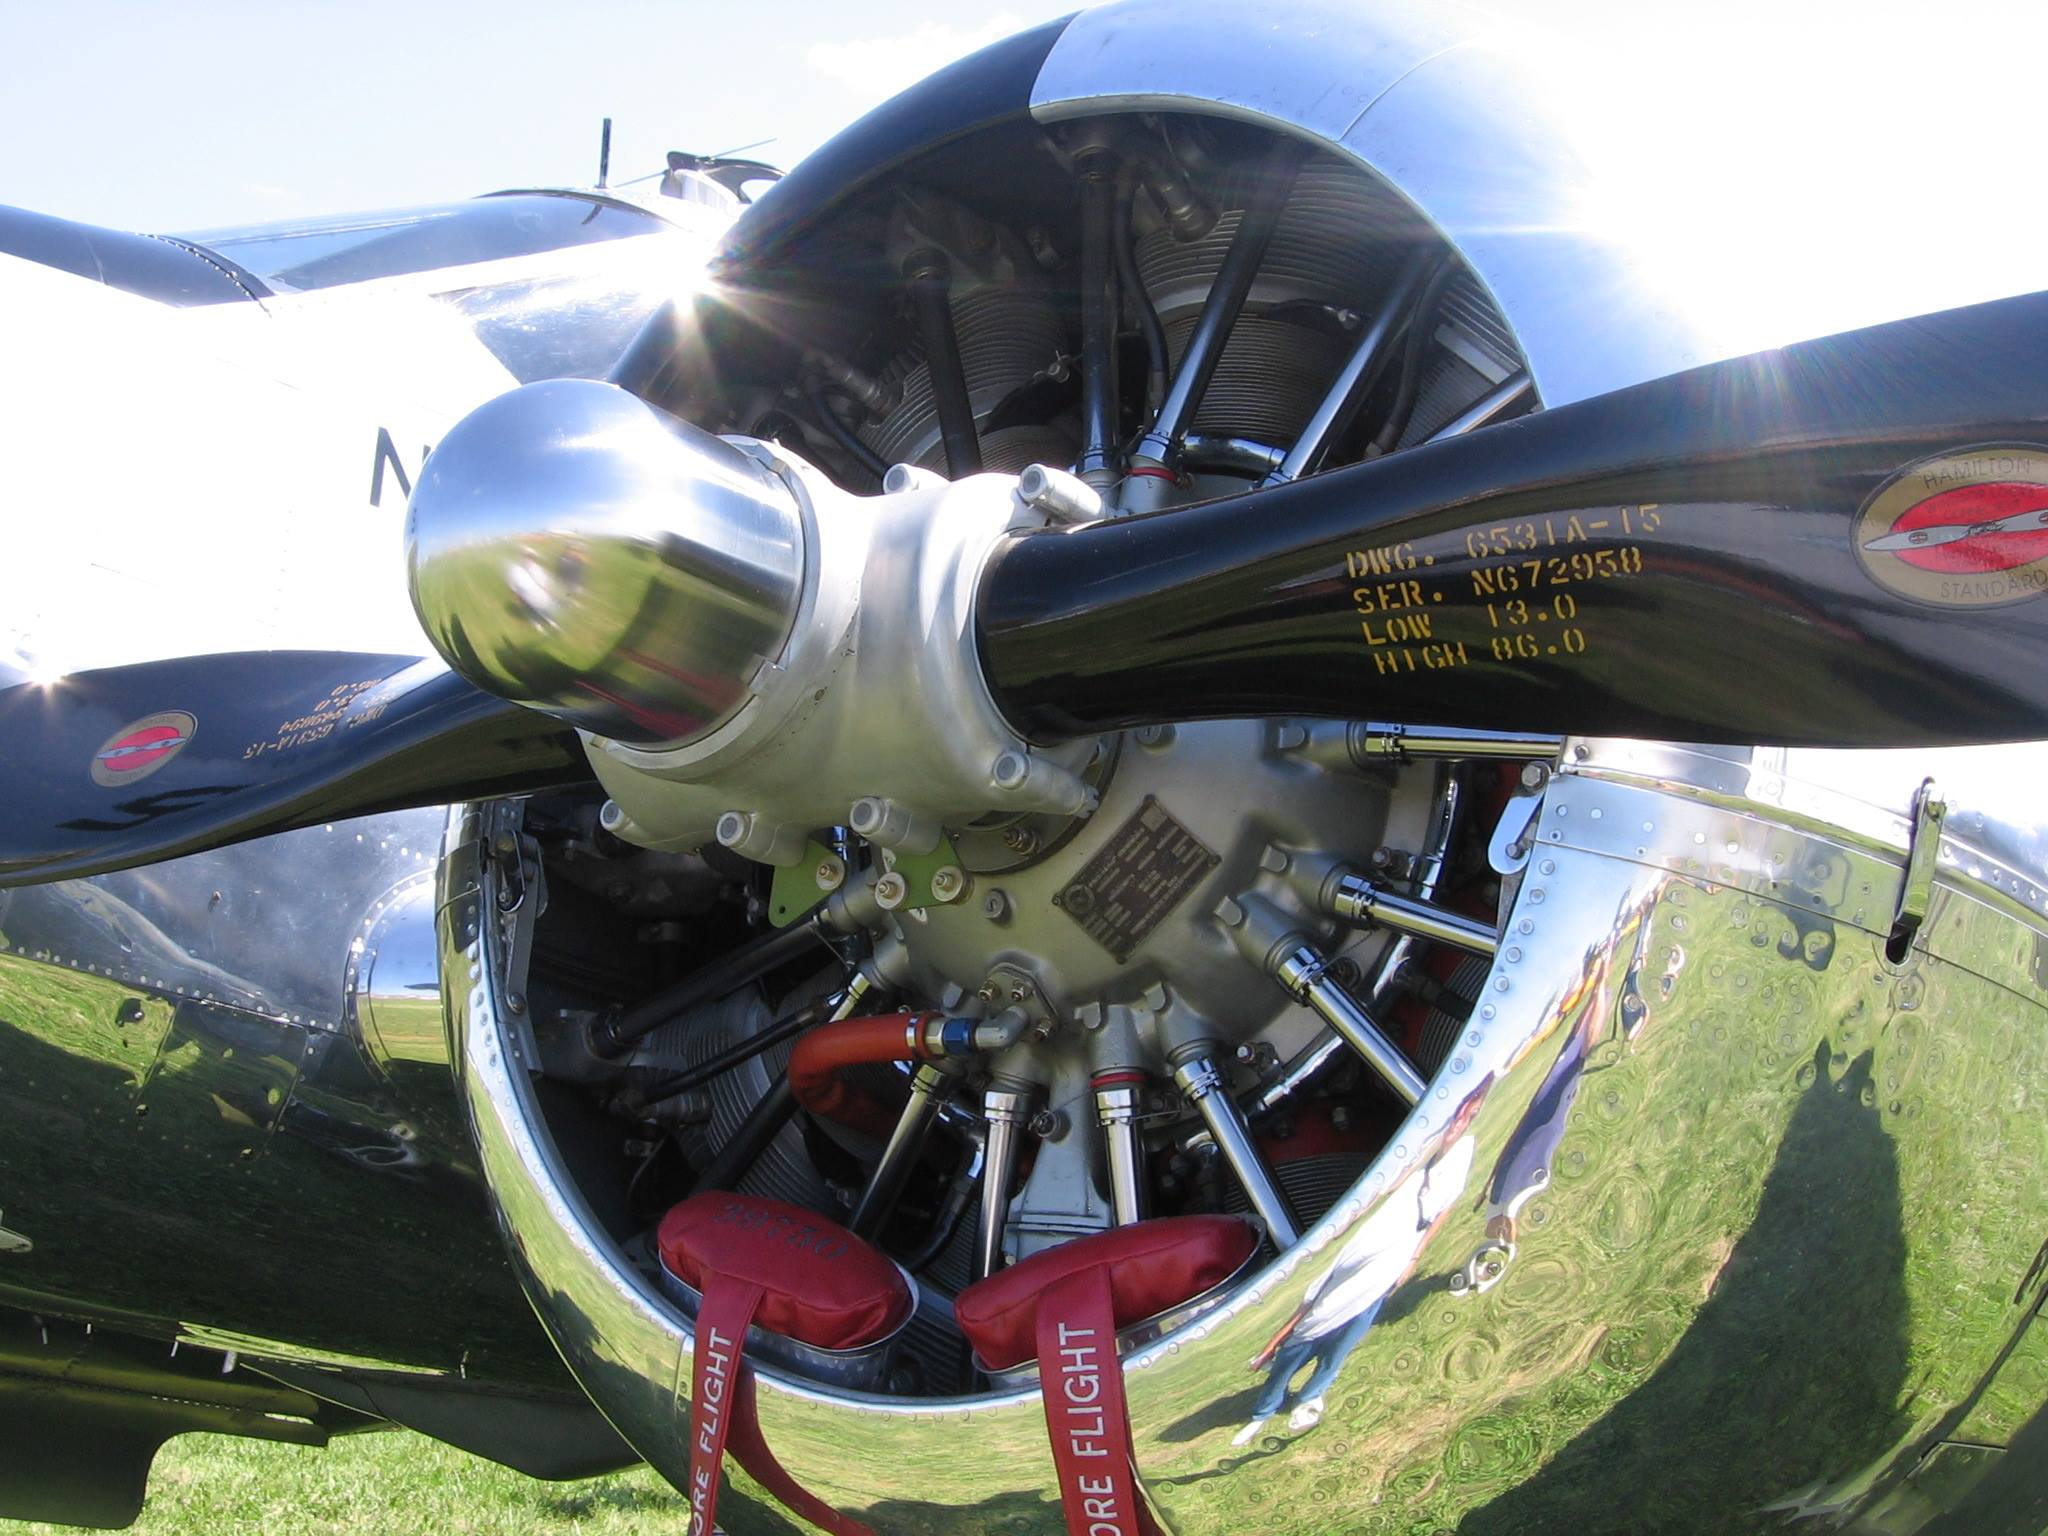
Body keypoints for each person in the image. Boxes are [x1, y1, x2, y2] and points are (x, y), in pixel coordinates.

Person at [1231, 1082, 1490, 1444]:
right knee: (1307, 1332)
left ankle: (1310, 1397)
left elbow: (1442, 1212)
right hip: (1361, 1249)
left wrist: (1414, 1256)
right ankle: (1264, 1410)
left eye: (1472, 1114)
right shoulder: (1412, 1154)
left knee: (1345, 1340)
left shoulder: (1462, 1154)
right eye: (1461, 1111)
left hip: (1390, 1259)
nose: (1463, 1121)